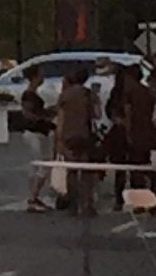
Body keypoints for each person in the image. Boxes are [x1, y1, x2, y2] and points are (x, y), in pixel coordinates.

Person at [55, 65, 99, 211]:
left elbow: (60, 118)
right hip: (84, 134)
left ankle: (72, 202)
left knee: (71, 170)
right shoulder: (89, 94)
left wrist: (59, 140)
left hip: (68, 134)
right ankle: (87, 203)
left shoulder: (65, 95)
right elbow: (96, 115)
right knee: (87, 170)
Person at [18, 66, 56, 211]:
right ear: (34, 77)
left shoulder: (32, 94)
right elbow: (28, 114)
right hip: (35, 133)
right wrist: (44, 119)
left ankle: (34, 196)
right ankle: (33, 197)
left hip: (39, 132)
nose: (43, 77)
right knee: (42, 164)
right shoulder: (29, 95)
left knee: (39, 165)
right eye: (40, 75)